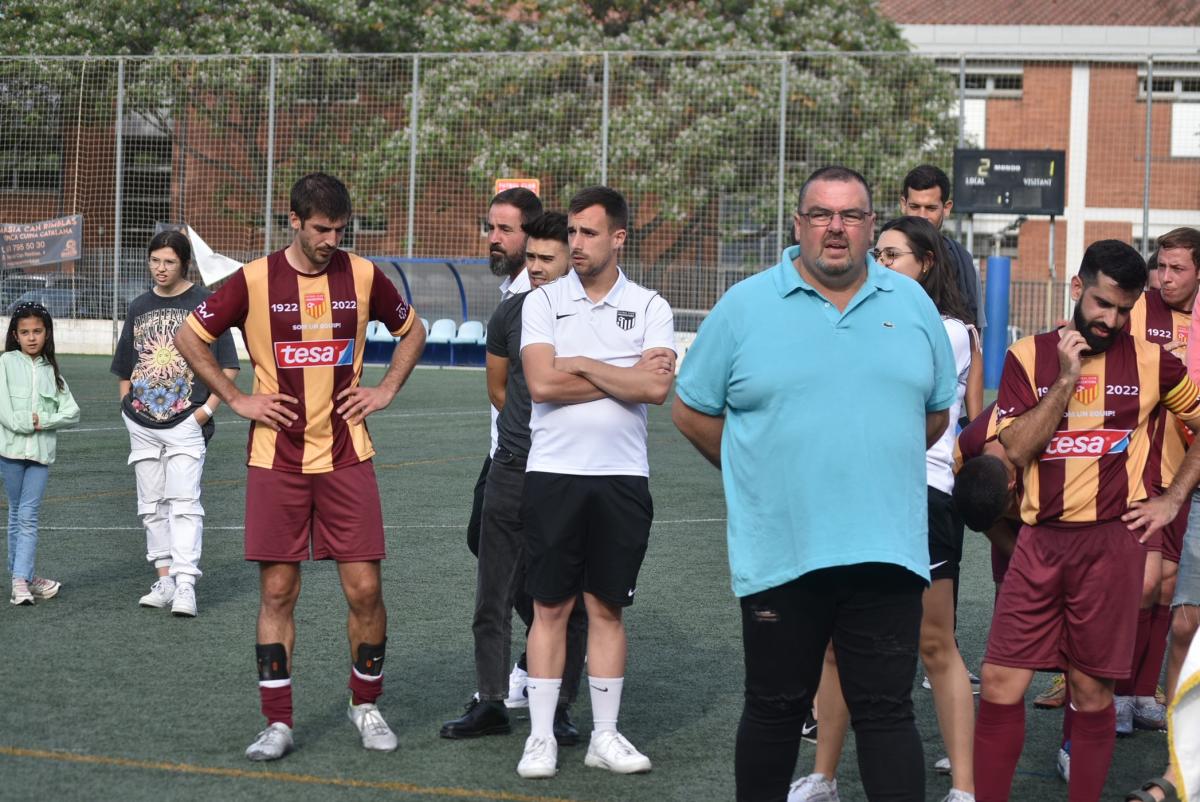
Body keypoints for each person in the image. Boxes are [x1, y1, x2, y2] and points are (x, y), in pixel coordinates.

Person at [673, 165, 957, 802]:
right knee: (774, 708)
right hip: (782, 551)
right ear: (799, 223)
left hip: (886, 551)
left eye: (851, 215)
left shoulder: (912, 304)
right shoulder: (744, 306)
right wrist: (758, 473)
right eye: (822, 214)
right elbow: (691, 411)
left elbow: (935, 413)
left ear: (870, 225)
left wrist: (870, 459)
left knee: (887, 713)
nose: (836, 228)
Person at [174, 172, 426, 761]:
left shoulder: (363, 275)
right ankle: (278, 722)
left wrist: (386, 389)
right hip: (276, 459)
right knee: (278, 590)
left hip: (346, 455)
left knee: (365, 589)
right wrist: (236, 399)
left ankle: (365, 704)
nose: (331, 240)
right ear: (293, 221)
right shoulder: (253, 279)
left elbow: (411, 332)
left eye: (339, 229)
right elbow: (190, 337)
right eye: (320, 229)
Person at [974, 239, 1200, 802]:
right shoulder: (1028, 356)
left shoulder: (1153, 361)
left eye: (1124, 309)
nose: (1111, 321)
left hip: (1111, 546)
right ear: (1077, 288)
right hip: (1039, 542)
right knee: (999, 681)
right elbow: (1017, 448)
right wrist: (1066, 379)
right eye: (1102, 304)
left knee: (1092, 692)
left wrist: (1173, 498)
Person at [789, 215, 978, 802]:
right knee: (834, 641)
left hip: (922, 495)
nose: (882, 263)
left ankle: (965, 789)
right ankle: (823, 777)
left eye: (894, 255)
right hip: (857, 491)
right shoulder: (871, 316)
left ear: (927, 264)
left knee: (934, 642)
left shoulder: (947, 329)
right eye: (881, 253)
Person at [515, 186, 675, 779]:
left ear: (618, 238)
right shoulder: (542, 301)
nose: (576, 243)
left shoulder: (651, 305)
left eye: (588, 232)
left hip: (622, 478)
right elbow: (542, 385)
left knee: (606, 609)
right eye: (572, 232)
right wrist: (621, 373)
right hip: (552, 475)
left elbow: (655, 389)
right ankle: (540, 738)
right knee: (549, 607)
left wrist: (580, 362)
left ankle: (605, 736)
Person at [440, 211, 587, 743]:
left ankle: (561, 707)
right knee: (491, 596)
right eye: (533, 258)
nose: (537, 267)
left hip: (569, 471)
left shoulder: (587, 316)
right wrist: (524, 438)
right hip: (511, 467)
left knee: (567, 599)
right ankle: (490, 702)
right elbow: (499, 390)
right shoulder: (510, 313)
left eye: (549, 258)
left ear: (573, 259)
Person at [111, 230, 240, 617]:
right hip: (141, 422)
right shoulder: (139, 306)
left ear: (184, 263)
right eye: (155, 260)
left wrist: (205, 411)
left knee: (184, 503)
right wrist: (126, 406)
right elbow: (125, 366)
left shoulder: (206, 303)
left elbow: (229, 366)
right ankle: (165, 579)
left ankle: (185, 585)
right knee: (151, 505)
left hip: (187, 420)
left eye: (169, 261)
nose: (161, 268)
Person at [1117, 227, 1200, 736]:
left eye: (1177, 269)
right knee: (1142, 584)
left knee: (1169, 587)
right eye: (1161, 267)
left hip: (1187, 473)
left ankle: (1144, 693)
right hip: (1140, 468)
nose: (1164, 278)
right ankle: (1117, 691)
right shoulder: (1140, 309)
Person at [466, 187, 544, 708]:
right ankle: (547, 642)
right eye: (490, 228)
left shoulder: (539, 293)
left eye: (505, 230)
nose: (494, 238)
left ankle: (548, 647)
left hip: (530, 456)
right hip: (504, 452)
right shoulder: (511, 292)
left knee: (524, 561)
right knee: (485, 540)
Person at [2, 303, 79, 605]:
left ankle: (21, 580)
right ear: (15, 335)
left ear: (47, 333)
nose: (31, 337)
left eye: (37, 331)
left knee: (27, 516)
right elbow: (5, 411)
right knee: (17, 514)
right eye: (25, 332)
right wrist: (26, 423)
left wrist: (43, 421)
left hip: (40, 458)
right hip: (9, 454)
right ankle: (24, 579)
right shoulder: (5, 363)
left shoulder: (52, 372)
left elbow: (72, 413)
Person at [901, 164, 985, 420]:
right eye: (914, 206)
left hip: (944, 407)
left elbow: (974, 347)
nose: (921, 216)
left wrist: (974, 429)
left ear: (946, 208)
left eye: (930, 208)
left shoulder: (962, 262)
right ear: (903, 205)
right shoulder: (878, 260)